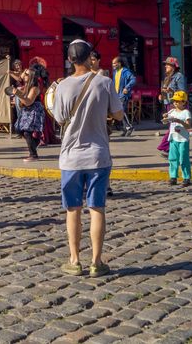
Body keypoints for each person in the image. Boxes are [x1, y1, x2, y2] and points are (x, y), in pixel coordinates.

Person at [53, 40, 123, 278]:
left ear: (70, 60)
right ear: (89, 57)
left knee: (72, 210)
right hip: (98, 155)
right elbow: (118, 113)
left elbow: (59, 117)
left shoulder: (63, 86)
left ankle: (74, 260)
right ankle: (96, 261)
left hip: (71, 157)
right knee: (97, 209)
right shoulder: (104, 82)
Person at [14, 61, 48, 161]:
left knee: (27, 132)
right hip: (27, 111)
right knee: (19, 129)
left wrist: (18, 95)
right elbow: (20, 80)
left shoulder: (34, 88)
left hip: (34, 110)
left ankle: (33, 154)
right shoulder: (27, 86)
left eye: (27, 75)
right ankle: (35, 143)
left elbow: (28, 102)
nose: (24, 76)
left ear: (32, 76)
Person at [162, 91, 192, 186]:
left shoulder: (186, 112)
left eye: (178, 101)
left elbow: (188, 126)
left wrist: (179, 121)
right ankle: (173, 177)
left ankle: (186, 177)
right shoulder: (172, 111)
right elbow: (165, 121)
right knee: (173, 158)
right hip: (173, 138)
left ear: (183, 102)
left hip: (183, 139)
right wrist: (165, 117)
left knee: (183, 159)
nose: (175, 103)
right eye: (174, 101)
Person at [111, 56, 136, 136]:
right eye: (112, 63)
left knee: (122, 111)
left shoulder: (125, 71)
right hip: (116, 95)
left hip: (123, 95)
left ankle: (129, 127)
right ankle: (125, 128)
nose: (113, 65)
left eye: (115, 63)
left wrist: (127, 88)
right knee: (119, 111)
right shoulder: (115, 72)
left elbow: (133, 79)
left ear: (119, 63)